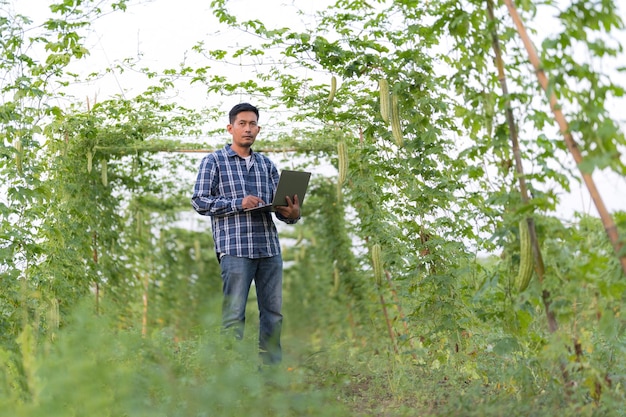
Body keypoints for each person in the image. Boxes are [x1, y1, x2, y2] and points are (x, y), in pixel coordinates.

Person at [191, 103, 301, 365]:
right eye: (242, 124)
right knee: (233, 314)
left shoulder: (267, 165)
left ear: (258, 129)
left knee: (273, 314)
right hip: (236, 250)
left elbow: (282, 211)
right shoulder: (213, 162)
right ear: (230, 128)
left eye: (252, 124)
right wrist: (237, 203)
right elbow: (199, 201)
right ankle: (232, 374)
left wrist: (292, 212)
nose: (248, 129)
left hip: (269, 249)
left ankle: (271, 373)